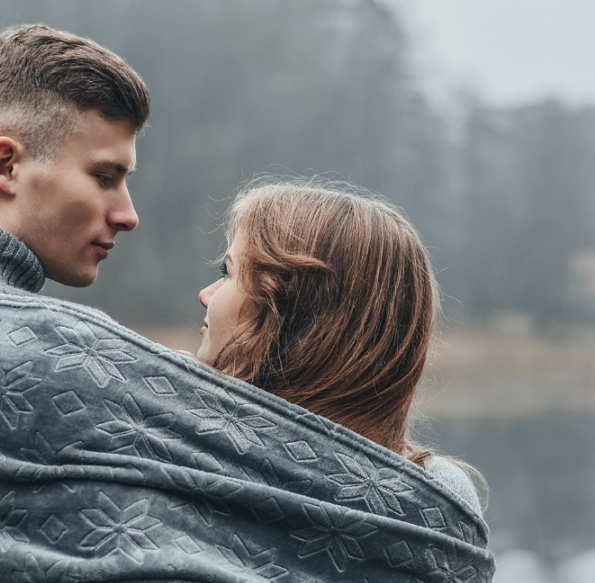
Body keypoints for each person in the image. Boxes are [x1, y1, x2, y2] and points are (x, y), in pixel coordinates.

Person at [0, 26, 493, 583]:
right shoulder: (82, 357)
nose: (128, 214)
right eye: (106, 176)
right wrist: (440, 500)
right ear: (6, 164)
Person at [194, 181, 484, 515]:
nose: (206, 294)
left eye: (227, 273)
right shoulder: (440, 494)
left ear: (296, 315)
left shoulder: (188, 445)